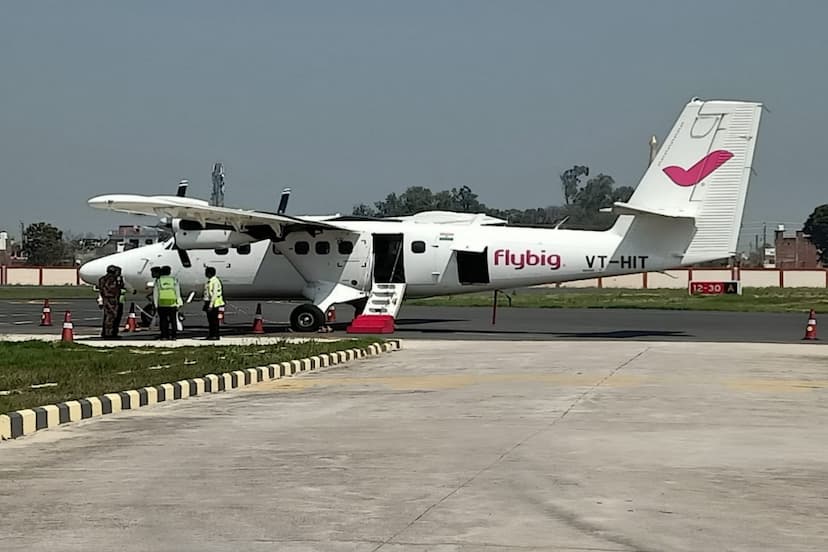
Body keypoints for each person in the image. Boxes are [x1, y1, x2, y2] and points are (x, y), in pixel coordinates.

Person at [153, 265, 182, 340]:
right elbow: (177, 292)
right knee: (173, 320)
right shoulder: (174, 280)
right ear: (169, 272)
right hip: (172, 303)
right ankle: (174, 336)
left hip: (162, 304)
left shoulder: (158, 281)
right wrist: (179, 302)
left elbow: (156, 293)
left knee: (163, 321)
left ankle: (164, 336)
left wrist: (156, 304)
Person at [97, 265, 124, 338]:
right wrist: (120, 281)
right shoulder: (113, 280)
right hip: (112, 299)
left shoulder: (102, 279)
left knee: (108, 316)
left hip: (106, 299)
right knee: (112, 316)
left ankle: (106, 332)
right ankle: (109, 333)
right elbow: (118, 287)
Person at [203, 266, 225, 340]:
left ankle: (215, 335)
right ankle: (212, 334)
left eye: (206, 272)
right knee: (211, 320)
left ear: (209, 273)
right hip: (210, 302)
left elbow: (214, 294)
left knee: (214, 320)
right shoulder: (210, 281)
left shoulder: (214, 281)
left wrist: (211, 305)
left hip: (214, 303)